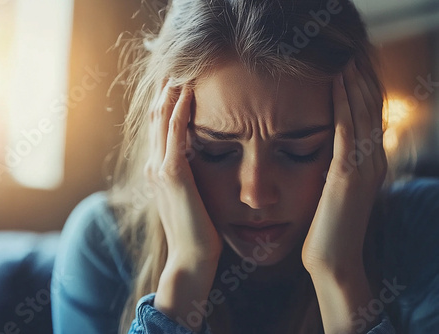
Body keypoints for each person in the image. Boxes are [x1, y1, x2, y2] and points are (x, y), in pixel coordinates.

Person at [51, 0, 439, 333]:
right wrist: (185, 274)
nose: (255, 195)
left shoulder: (423, 231)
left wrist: (339, 274)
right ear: (165, 136)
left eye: (299, 151)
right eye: (216, 152)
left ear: (363, 128)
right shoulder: (104, 247)